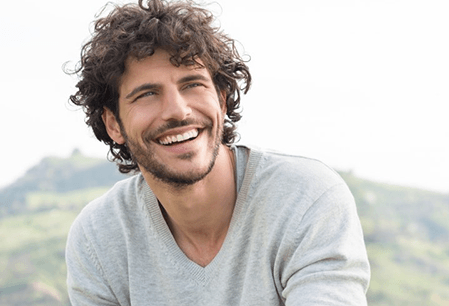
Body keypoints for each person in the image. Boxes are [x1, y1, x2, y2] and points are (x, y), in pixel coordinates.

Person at [65, 0, 370, 305]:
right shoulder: (99, 237)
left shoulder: (305, 199)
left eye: (192, 84)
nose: (178, 111)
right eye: (147, 94)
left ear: (222, 102)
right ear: (113, 124)